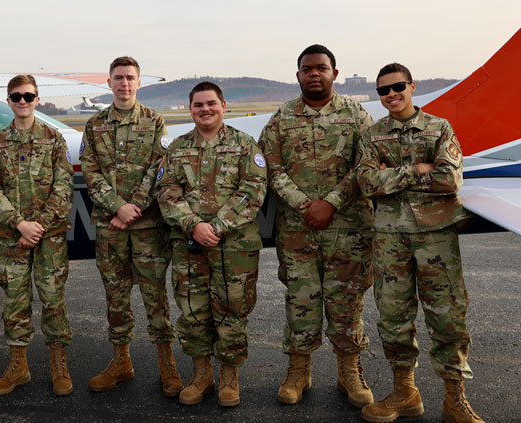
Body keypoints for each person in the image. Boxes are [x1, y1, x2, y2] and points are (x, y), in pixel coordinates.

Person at [357, 63, 484, 423]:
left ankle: (455, 399)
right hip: (390, 238)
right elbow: (366, 184)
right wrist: (416, 169)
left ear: (411, 86)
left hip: (435, 236)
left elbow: (449, 179)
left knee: (447, 318)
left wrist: (392, 177)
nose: (391, 95)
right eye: (383, 91)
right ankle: (404, 392)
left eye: (398, 87)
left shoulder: (439, 127)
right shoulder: (373, 135)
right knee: (394, 318)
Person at [257, 44, 374, 408]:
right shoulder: (280, 118)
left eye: (321, 68)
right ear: (298, 75)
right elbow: (271, 169)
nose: (314, 74)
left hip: (349, 228)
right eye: (307, 69)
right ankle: (298, 371)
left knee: (347, 302)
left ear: (334, 74)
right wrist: (305, 205)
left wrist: (331, 203)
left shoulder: (357, 116)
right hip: (297, 229)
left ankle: (349, 373)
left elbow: (366, 166)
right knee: (301, 300)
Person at [156, 81, 266, 407]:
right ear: (190, 109)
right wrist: (193, 225)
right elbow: (166, 192)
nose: (205, 109)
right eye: (198, 105)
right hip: (189, 245)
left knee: (233, 310)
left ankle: (229, 376)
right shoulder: (176, 149)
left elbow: (253, 190)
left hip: (234, 247)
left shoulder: (245, 146)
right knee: (192, 311)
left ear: (223, 105)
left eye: (211, 103)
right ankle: (201, 374)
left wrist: (215, 227)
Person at [80, 56, 182, 397]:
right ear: (109, 83)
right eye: (118, 78)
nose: (124, 83)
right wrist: (116, 206)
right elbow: (89, 172)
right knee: (116, 296)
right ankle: (121, 361)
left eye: (130, 78)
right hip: (111, 227)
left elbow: (160, 169)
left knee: (155, 297)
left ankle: (166, 363)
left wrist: (132, 207)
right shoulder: (94, 125)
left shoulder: (155, 121)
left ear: (139, 83)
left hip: (147, 227)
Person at [0, 75, 74, 397]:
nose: (22, 101)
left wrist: (37, 228)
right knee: (15, 301)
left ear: (37, 99)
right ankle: (18, 368)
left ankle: (59, 365)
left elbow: (64, 187)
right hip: (11, 237)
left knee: (53, 300)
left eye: (28, 96)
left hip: (48, 237)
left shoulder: (54, 139)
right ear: (8, 100)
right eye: (16, 96)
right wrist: (21, 225)